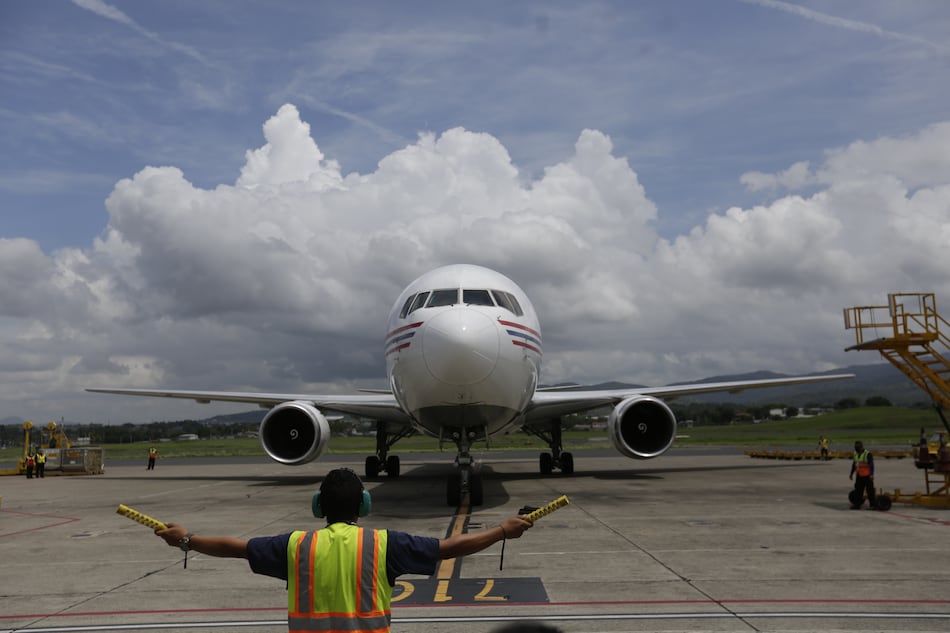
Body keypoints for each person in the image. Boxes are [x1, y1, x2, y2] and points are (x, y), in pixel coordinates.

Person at [154, 468, 534, 633]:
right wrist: (502, 530)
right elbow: (449, 548)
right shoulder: (384, 543)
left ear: (318, 506)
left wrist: (186, 539)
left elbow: (235, 548)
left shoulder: (296, 545)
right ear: (364, 506)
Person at [849, 440, 877, 510]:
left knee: (870, 491)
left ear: (861, 447)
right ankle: (857, 505)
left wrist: (871, 474)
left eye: (857, 447)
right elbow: (854, 464)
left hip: (867, 476)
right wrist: (851, 473)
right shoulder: (855, 454)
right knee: (858, 491)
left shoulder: (867, 454)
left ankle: (873, 505)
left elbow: (871, 465)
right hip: (859, 475)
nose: (856, 448)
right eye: (855, 447)